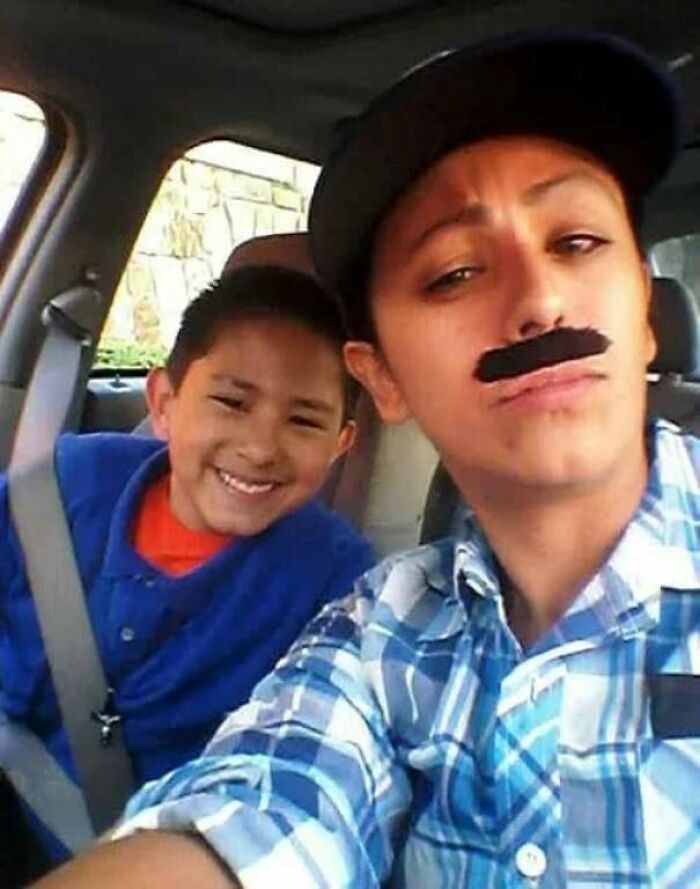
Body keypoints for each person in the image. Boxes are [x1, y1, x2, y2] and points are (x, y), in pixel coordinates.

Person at [35, 30, 699, 889]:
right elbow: (264, 804)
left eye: (575, 240)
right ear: (383, 378)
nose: (539, 299)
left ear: (644, 311)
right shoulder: (382, 628)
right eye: (455, 271)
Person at [0, 260, 374, 862]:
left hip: (132, 854)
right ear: (164, 401)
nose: (258, 448)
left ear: (340, 445)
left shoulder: (337, 584)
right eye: (230, 402)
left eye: (304, 420)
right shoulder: (63, 484)